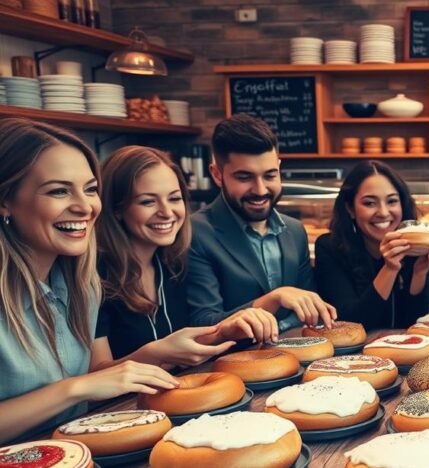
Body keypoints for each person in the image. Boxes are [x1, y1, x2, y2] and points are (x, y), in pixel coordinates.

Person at [0, 118, 178, 442]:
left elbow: (93, 390)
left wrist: (158, 352)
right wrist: (74, 388)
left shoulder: (82, 286)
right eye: (58, 191)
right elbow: (83, 389)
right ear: (5, 201)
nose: (85, 207)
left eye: (90, 190)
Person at [94, 146, 281, 365]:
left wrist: (224, 331)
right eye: (147, 201)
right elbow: (96, 380)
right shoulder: (95, 275)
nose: (166, 212)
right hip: (125, 401)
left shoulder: (172, 264)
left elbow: (183, 346)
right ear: (116, 208)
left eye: (174, 198)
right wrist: (155, 353)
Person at [187, 114, 335, 333]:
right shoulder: (194, 232)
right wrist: (273, 299)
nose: (260, 190)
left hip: (296, 355)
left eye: (270, 175)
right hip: (228, 363)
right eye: (244, 177)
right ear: (217, 175)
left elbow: (307, 313)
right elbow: (202, 324)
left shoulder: (295, 231)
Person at [314, 161, 429, 329]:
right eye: (369, 203)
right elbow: (351, 326)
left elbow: (416, 325)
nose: (383, 212)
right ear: (350, 209)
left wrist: (419, 273)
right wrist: (389, 269)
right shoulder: (329, 248)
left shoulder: (413, 249)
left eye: (392, 201)